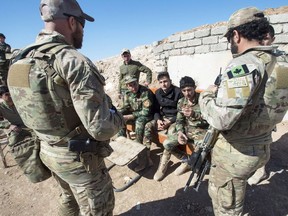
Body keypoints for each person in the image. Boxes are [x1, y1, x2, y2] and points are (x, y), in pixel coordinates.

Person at [7, 0, 125, 215]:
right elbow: (100, 128)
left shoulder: (20, 59)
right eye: (82, 24)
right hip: (78, 161)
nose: (82, 30)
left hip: (47, 152)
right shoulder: (73, 61)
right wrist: (118, 118)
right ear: (72, 22)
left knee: (68, 200)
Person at [199, 7, 288, 215]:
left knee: (227, 207)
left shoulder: (244, 65)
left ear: (236, 35)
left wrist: (207, 96)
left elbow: (221, 119)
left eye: (230, 38)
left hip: (236, 154)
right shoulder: (282, 61)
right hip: (262, 146)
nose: (230, 44)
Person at [153, 76, 208, 181]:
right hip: (188, 130)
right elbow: (179, 120)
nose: (187, 93)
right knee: (167, 143)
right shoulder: (182, 101)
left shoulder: (203, 100)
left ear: (194, 88)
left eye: (189, 90)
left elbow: (211, 120)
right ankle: (183, 160)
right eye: (184, 91)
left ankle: (192, 164)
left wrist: (194, 115)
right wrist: (180, 133)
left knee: (199, 151)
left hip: (202, 132)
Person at [247, 24, 275, 186]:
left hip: (267, 109)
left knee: (263, 140)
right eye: (260, 38)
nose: (263, 42)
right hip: (254, 108)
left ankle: (261, 171)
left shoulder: (277, 60)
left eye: (266, 38)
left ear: (272, 39)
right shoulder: (257, 59)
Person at [117, 75, 154, 172]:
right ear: (127, 86)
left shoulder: (145, 92)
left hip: (147, 116)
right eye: (130, 85)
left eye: (135, 84)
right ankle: (122, 146)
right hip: (136, 115)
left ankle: (142, 159)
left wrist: (130, 116)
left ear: (137, 82)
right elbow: (126, 107)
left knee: (139, 123)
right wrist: (119, 113)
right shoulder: (127, 93)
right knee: (120, 119)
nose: (133, 87)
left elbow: (146, 112)